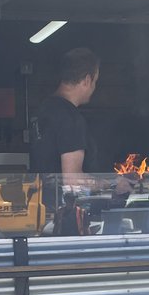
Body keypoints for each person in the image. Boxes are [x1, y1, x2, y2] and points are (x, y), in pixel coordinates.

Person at [29, 48, 100, 231]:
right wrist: (113, 183)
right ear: (87, 79)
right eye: (95, 81)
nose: (94, 87)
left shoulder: (44, 110)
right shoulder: (70, 118)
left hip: (43, 209)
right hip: (66, 216)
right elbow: (72, 179)